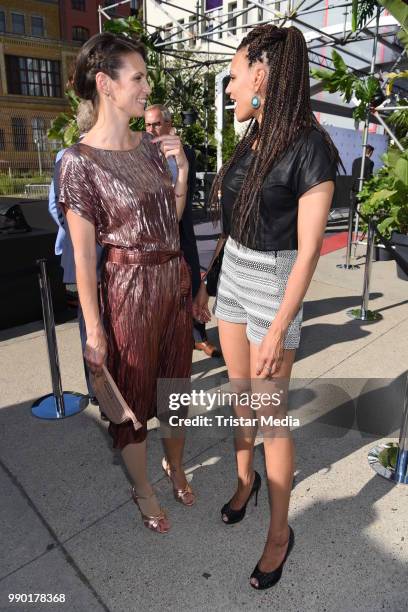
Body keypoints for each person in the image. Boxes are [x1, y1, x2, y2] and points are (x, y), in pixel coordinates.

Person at [194, 24, 341, 589]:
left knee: (273, 419)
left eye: (232, 76)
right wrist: (210, 279)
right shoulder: (253, 136)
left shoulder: (311, 147)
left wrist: (281, 326)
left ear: (261, 74)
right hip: (234, 279)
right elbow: (231, 226)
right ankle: (243, 481)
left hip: (275, 289)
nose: (228, 88)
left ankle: (280, 533)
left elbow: (308, 255)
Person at [58, 32, 195, 534]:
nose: (146, 87)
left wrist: (178, 174)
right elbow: (84, 255)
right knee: (132, 400)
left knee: (176, 388)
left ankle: (175, 464)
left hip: (172, 280)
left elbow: (171, 219)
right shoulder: (80, 163)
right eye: (137, 77)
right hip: (127, 287)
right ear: (105, 84)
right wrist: (95, 331)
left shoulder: (155, 149)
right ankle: (143, 489)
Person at [145, 104, 222, 358]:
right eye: (147, 124)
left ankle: (199, 336)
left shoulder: (186, 152)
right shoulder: (142, 154)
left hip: (182, 229)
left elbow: (184, 190)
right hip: (156, 234)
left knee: (192, 277)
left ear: (168, 124)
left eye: (156, 123)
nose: (151, 129)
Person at [48, 100, 104, 411]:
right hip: (98, 255)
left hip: (86, 254)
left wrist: (72, 234)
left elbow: (54, 208)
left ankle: (98, 389)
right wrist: (79, 232)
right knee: (97, 322)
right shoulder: (73, 158)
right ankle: (102, 388)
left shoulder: (63, 156)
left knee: (89, 322)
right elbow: (58, 207)